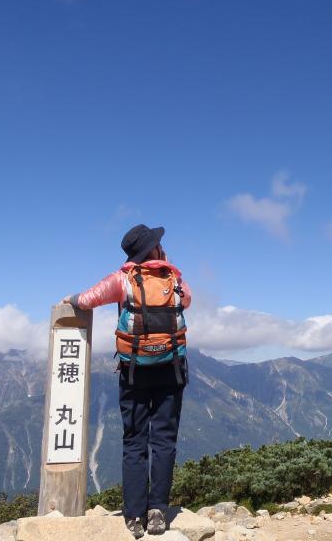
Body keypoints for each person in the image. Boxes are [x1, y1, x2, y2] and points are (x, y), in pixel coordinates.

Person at [63, 223, 191, 538]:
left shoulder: (122, 279)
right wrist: (166, 270)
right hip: (171, 368)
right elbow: (186, 302)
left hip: (135, 370)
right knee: (164, 440)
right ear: (155, 249)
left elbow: (89, 299)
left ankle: (134, 516)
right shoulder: (174, 279)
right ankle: (158, 510)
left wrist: (72, 298)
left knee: (134, 440)